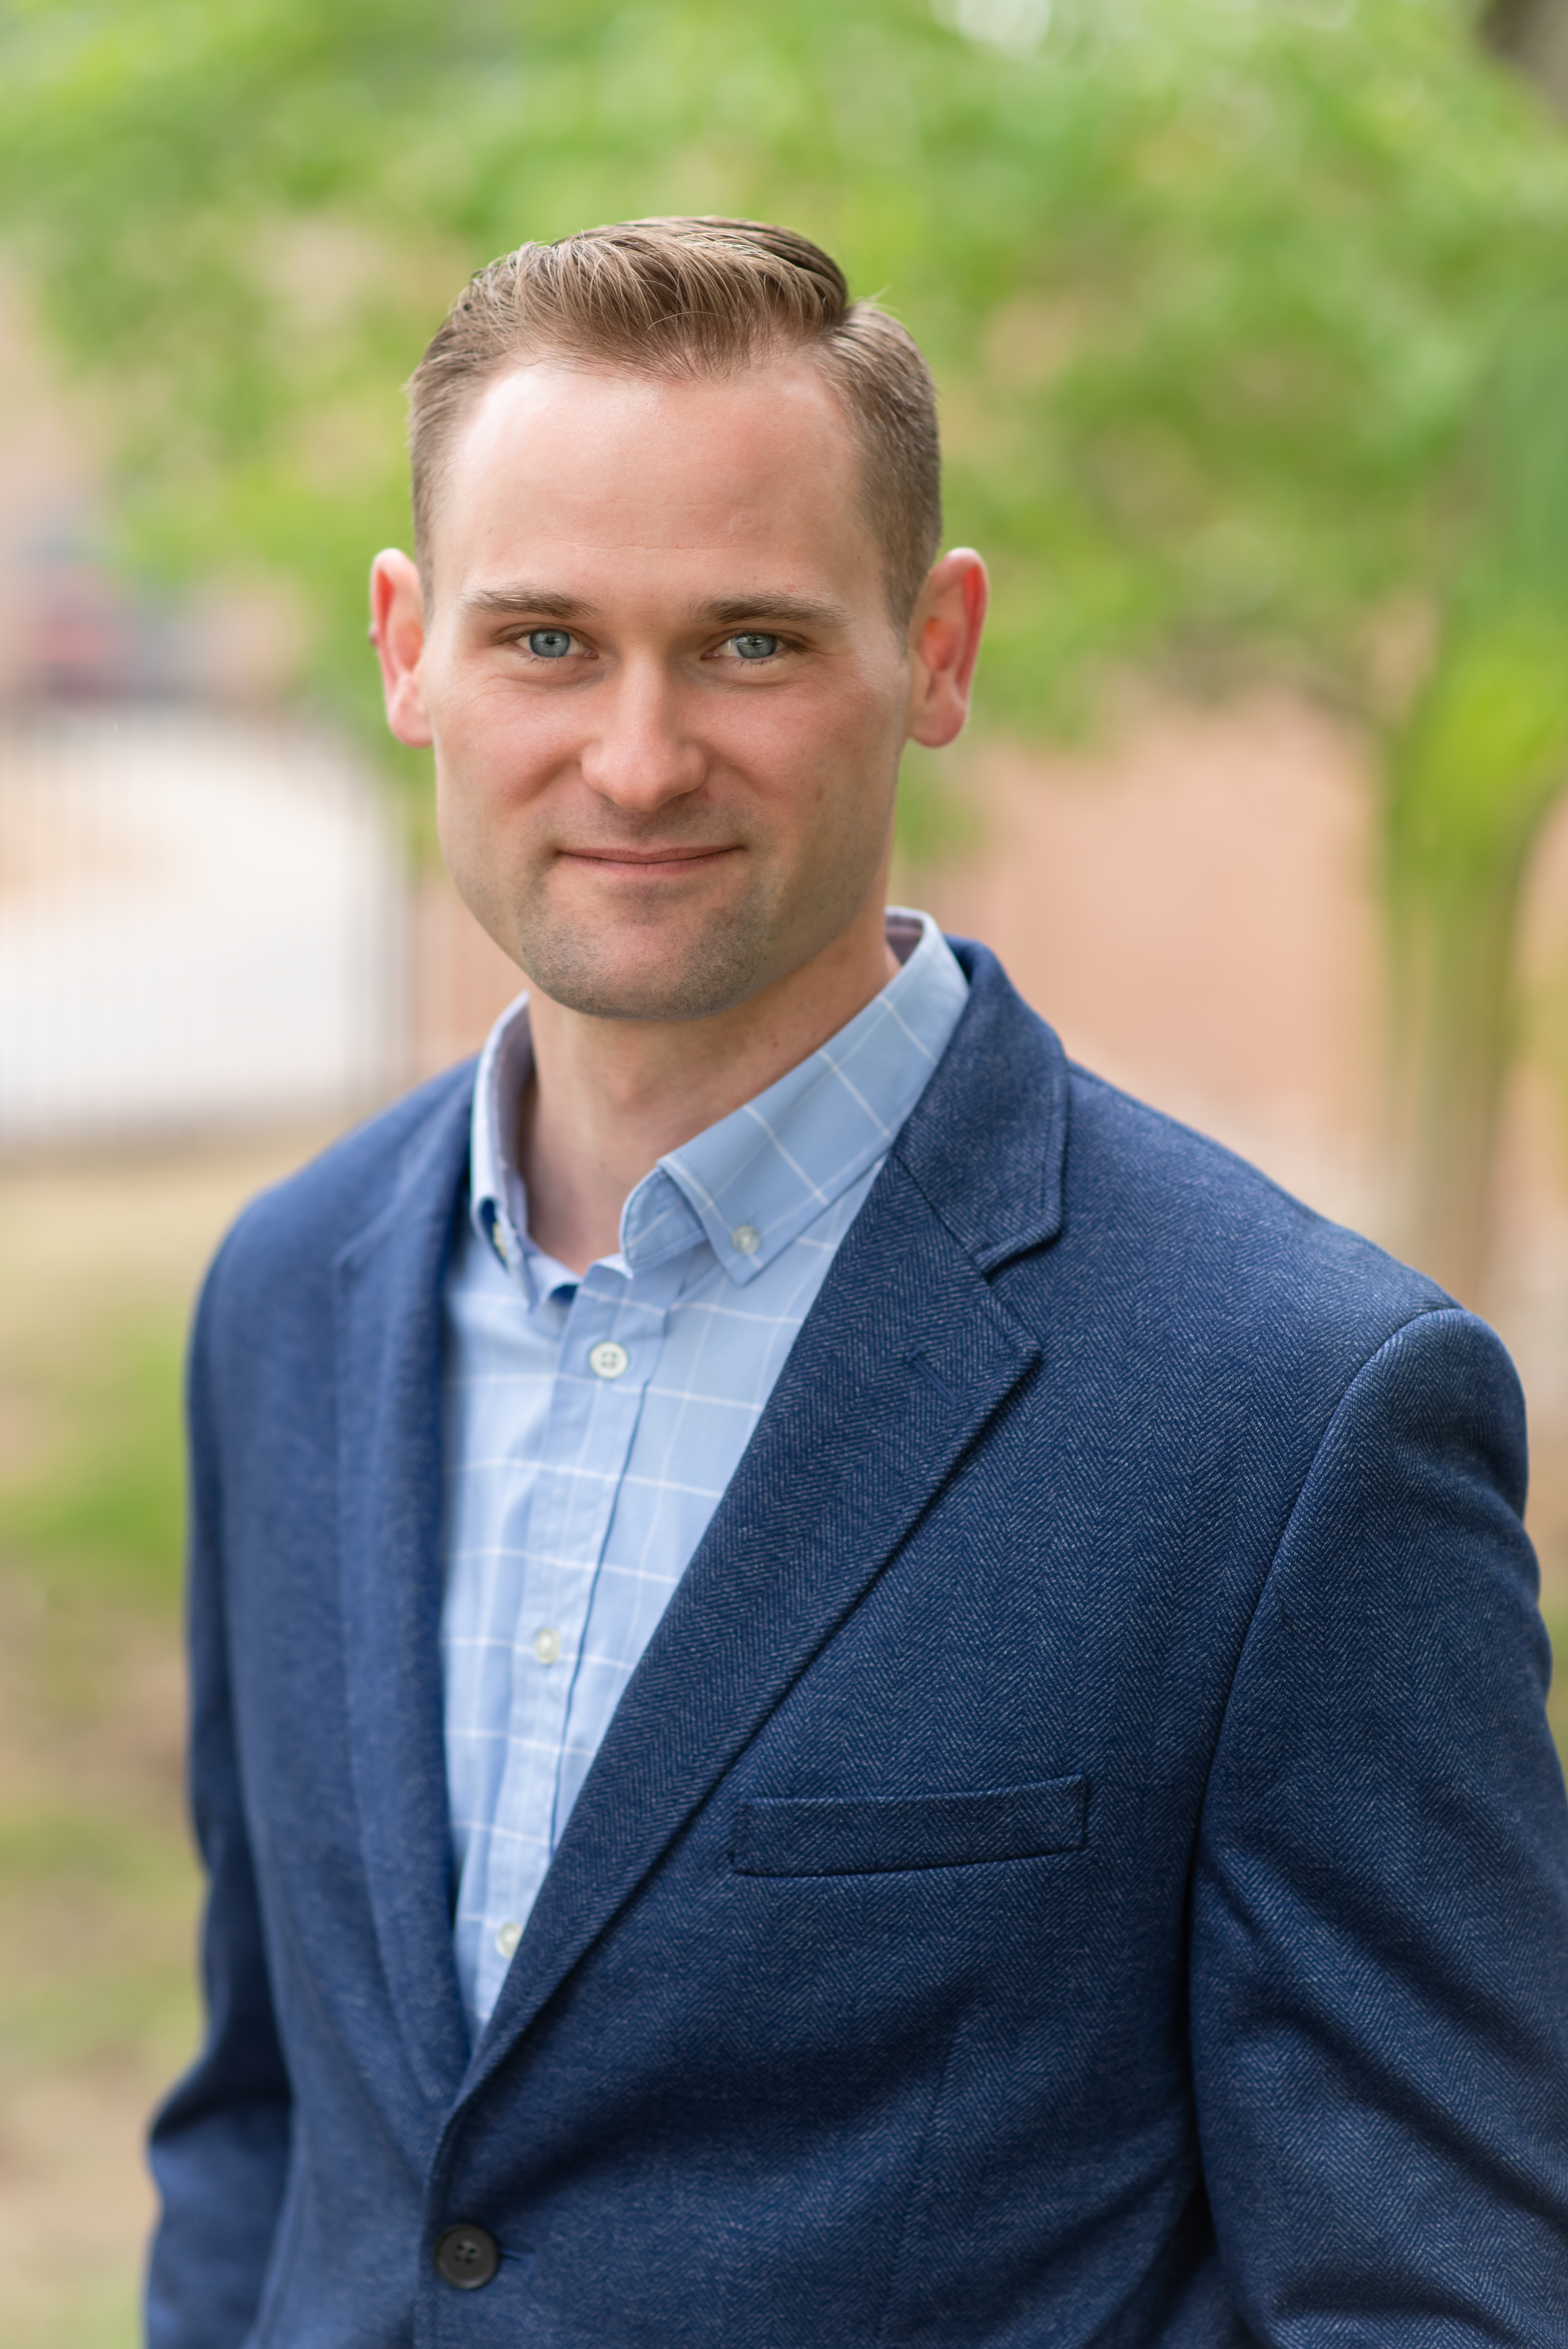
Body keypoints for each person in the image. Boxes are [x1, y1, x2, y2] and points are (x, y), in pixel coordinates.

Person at [146, 218, 1568, 2349]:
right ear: (407, 649)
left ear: (941, 646)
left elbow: (1444, 2291)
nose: (635, 762)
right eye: (548, 641)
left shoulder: (1294, 1414)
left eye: (747, 646)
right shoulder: (287, 1298)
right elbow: (278, 2128)